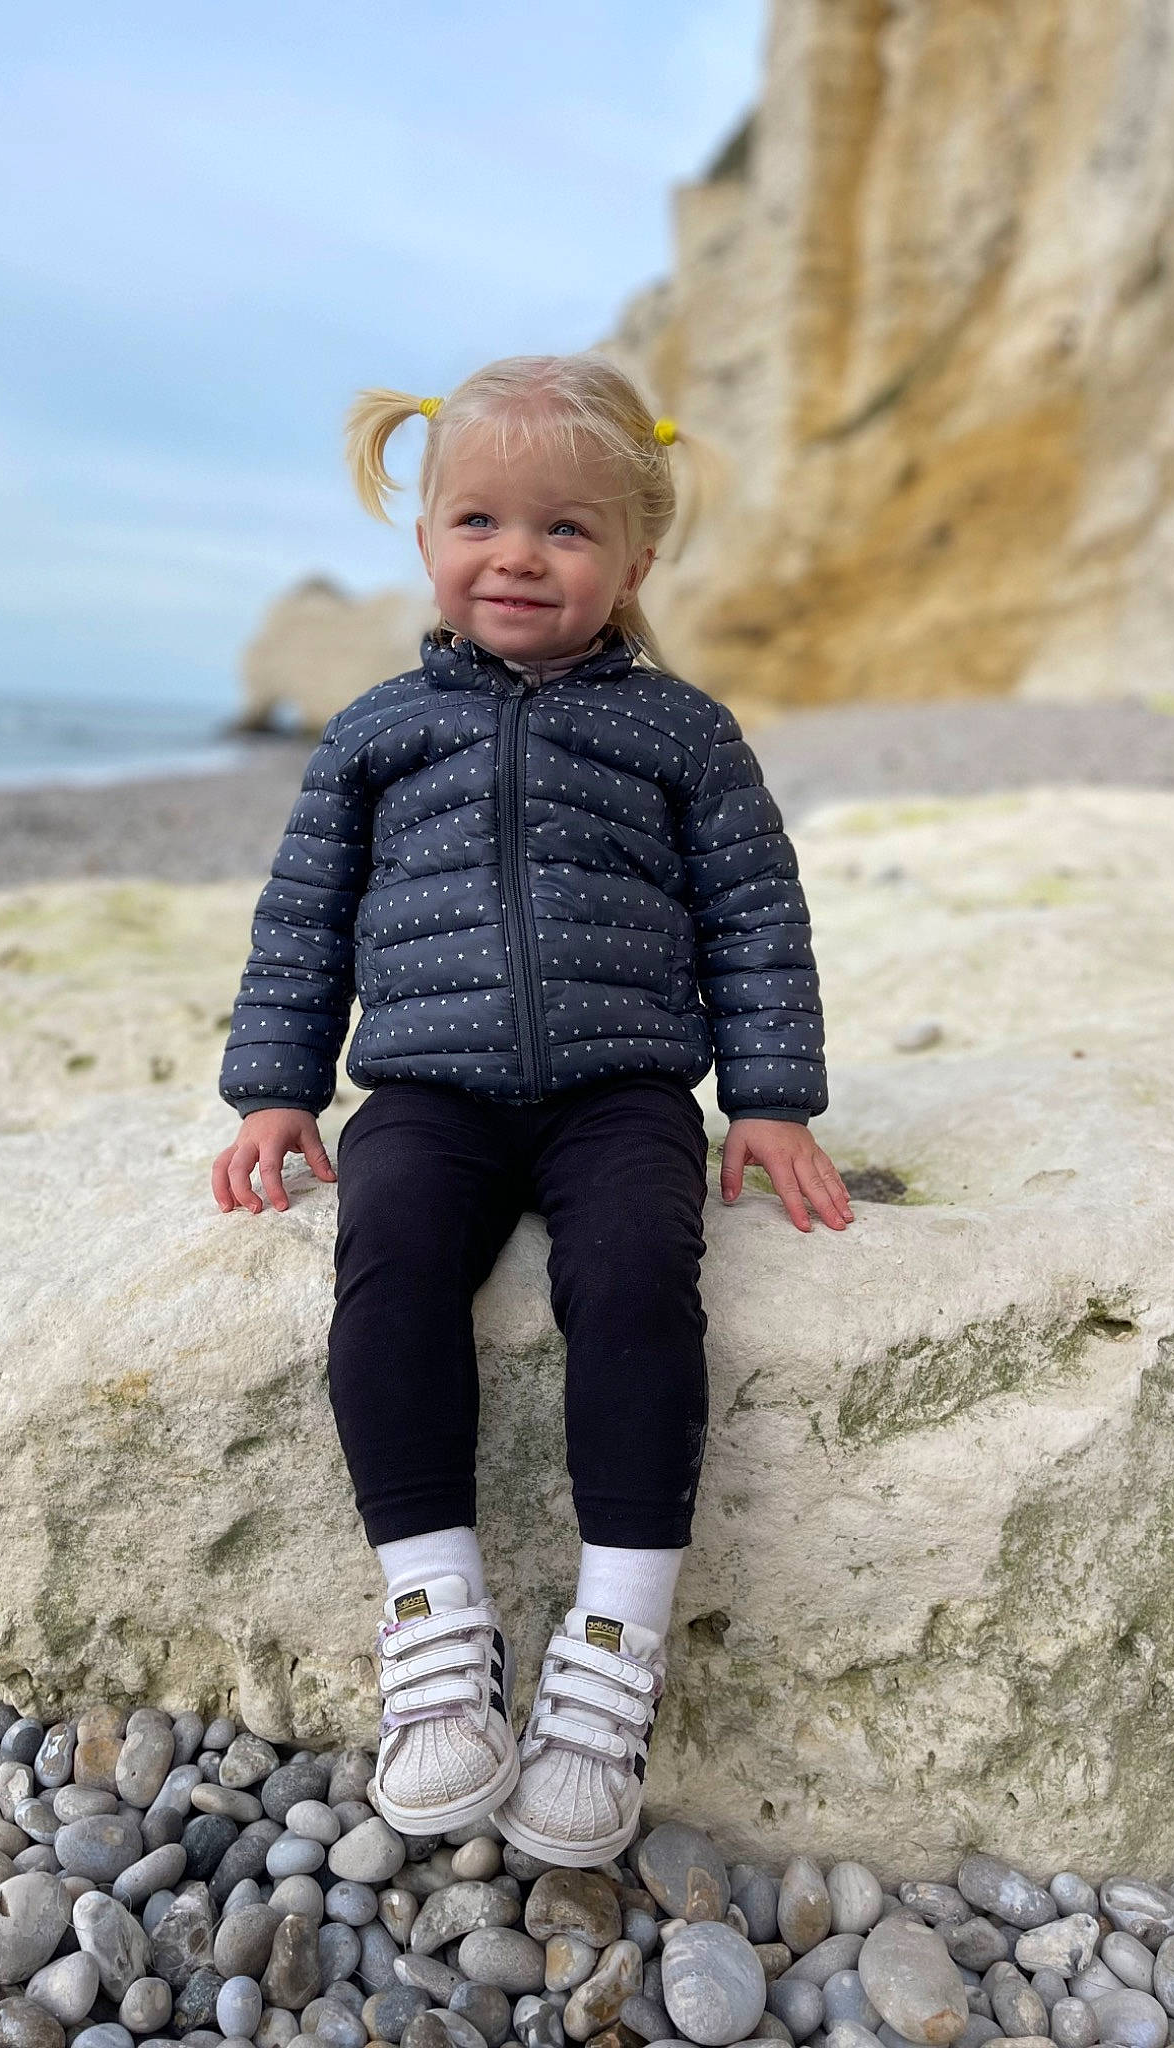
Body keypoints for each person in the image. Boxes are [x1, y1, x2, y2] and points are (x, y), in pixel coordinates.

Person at [211, 352, 850, 1868]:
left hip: (622, 1088)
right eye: (480, 521)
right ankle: (436, 1627)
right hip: (424, 1089)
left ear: (634, 558)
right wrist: (277, 1087)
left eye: (566, 530)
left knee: (636, 1281)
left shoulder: (683, 732)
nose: (518, 556)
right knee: (390, 1272)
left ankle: (612, 1653)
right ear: (426, 537)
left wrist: (768, 1100)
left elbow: (756, 912)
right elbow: (304, 916)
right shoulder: (374, 732)